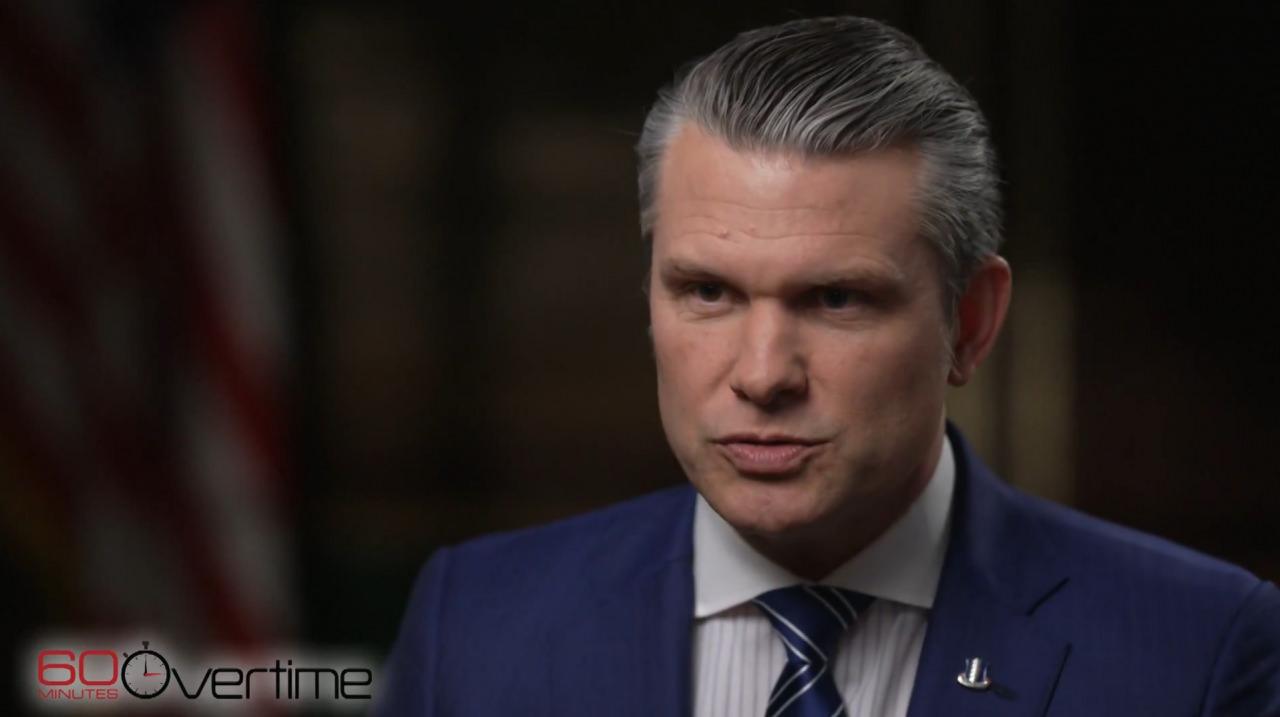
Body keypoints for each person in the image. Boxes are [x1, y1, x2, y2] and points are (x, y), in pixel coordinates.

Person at [373, 16, 1280, 716]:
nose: (763, 373)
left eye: (837, 299)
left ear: (970, 322)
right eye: (708, 291)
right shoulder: (475, 621)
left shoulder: (1196, 651)